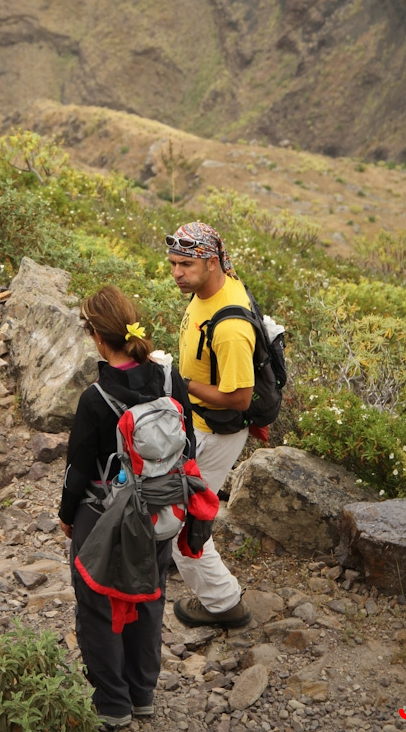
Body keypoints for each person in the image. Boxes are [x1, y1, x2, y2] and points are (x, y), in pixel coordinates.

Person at [58, 285, 195, 730]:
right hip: (160, 512)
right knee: (149, 595)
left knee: (98, 603)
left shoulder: (96, 398)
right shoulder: (169, 380)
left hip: (106, 517)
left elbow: (78, 470)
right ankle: (142, 696)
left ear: (98, 337)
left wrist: (66, 516)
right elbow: (189, 443)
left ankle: (112, 704)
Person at [166, 220, 254, 629]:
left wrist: (181, 385)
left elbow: (240, 397)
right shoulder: (208, 289)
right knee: (176, 508)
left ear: (212, 262)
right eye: (173, 264)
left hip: (214, 432)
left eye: (185, 264)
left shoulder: (231, 327)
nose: (177, 273)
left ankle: (224, 604)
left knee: (184, 525)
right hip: (197, 423)